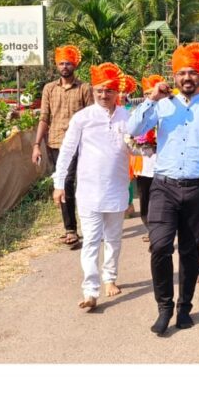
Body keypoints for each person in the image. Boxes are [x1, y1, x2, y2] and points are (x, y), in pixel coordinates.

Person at [127, 43, 199, 335]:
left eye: (193, 73)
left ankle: (184, 308)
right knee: (160, 246)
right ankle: (164, 306)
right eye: (182, 73)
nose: (187, 78)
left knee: (189, 250)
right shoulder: (161, 106)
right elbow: (134, 129)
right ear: (173, 76)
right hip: (164, 186)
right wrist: (151, 98)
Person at [53, 63, 138, 310]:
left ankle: (110, 278)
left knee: (113, 238)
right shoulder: (83, 118)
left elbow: (133, 146)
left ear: (117, 91)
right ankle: (90, 291)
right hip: (89, 191)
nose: (104, 95)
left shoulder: (127, 116)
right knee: (91, 240)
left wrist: (147, 147)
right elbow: (67, 151)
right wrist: (59, 184)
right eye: (99, 90)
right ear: (93, 91)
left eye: (109, 90)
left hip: (117, 188)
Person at [32, 45, 93, 250]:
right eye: (61, 63)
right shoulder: (49, 88)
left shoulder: (84, 88)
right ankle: (71, 230)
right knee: (65, 183)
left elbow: (92, 117)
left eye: (68, 62)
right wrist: (36, 145)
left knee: (77, 182)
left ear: (74, 65)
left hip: (79, 144)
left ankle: (89, 226)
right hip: (56, 143)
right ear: (56, 65)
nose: (65, 66)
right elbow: (44, 118)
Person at [130, 75, 165, 243]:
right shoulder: (138, 112)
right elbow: (130, 134)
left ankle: (158, 232)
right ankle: (149, 227)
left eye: (153, 92)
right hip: (143, 164)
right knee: (144, 198)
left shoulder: (167, 111)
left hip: (162, 165)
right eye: (146, 93)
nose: (150, 96)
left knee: (159, 200)